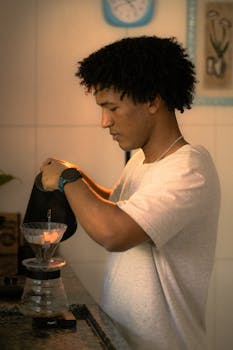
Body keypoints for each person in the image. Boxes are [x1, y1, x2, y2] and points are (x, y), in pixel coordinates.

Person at [40, 36, 220, 350]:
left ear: (152, 100)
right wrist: (77, 173)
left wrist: (68, 178)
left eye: (111, 107)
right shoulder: (143, 159)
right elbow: (120, 207)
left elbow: (114, 232)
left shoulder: (189, 169)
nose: (104, 122)